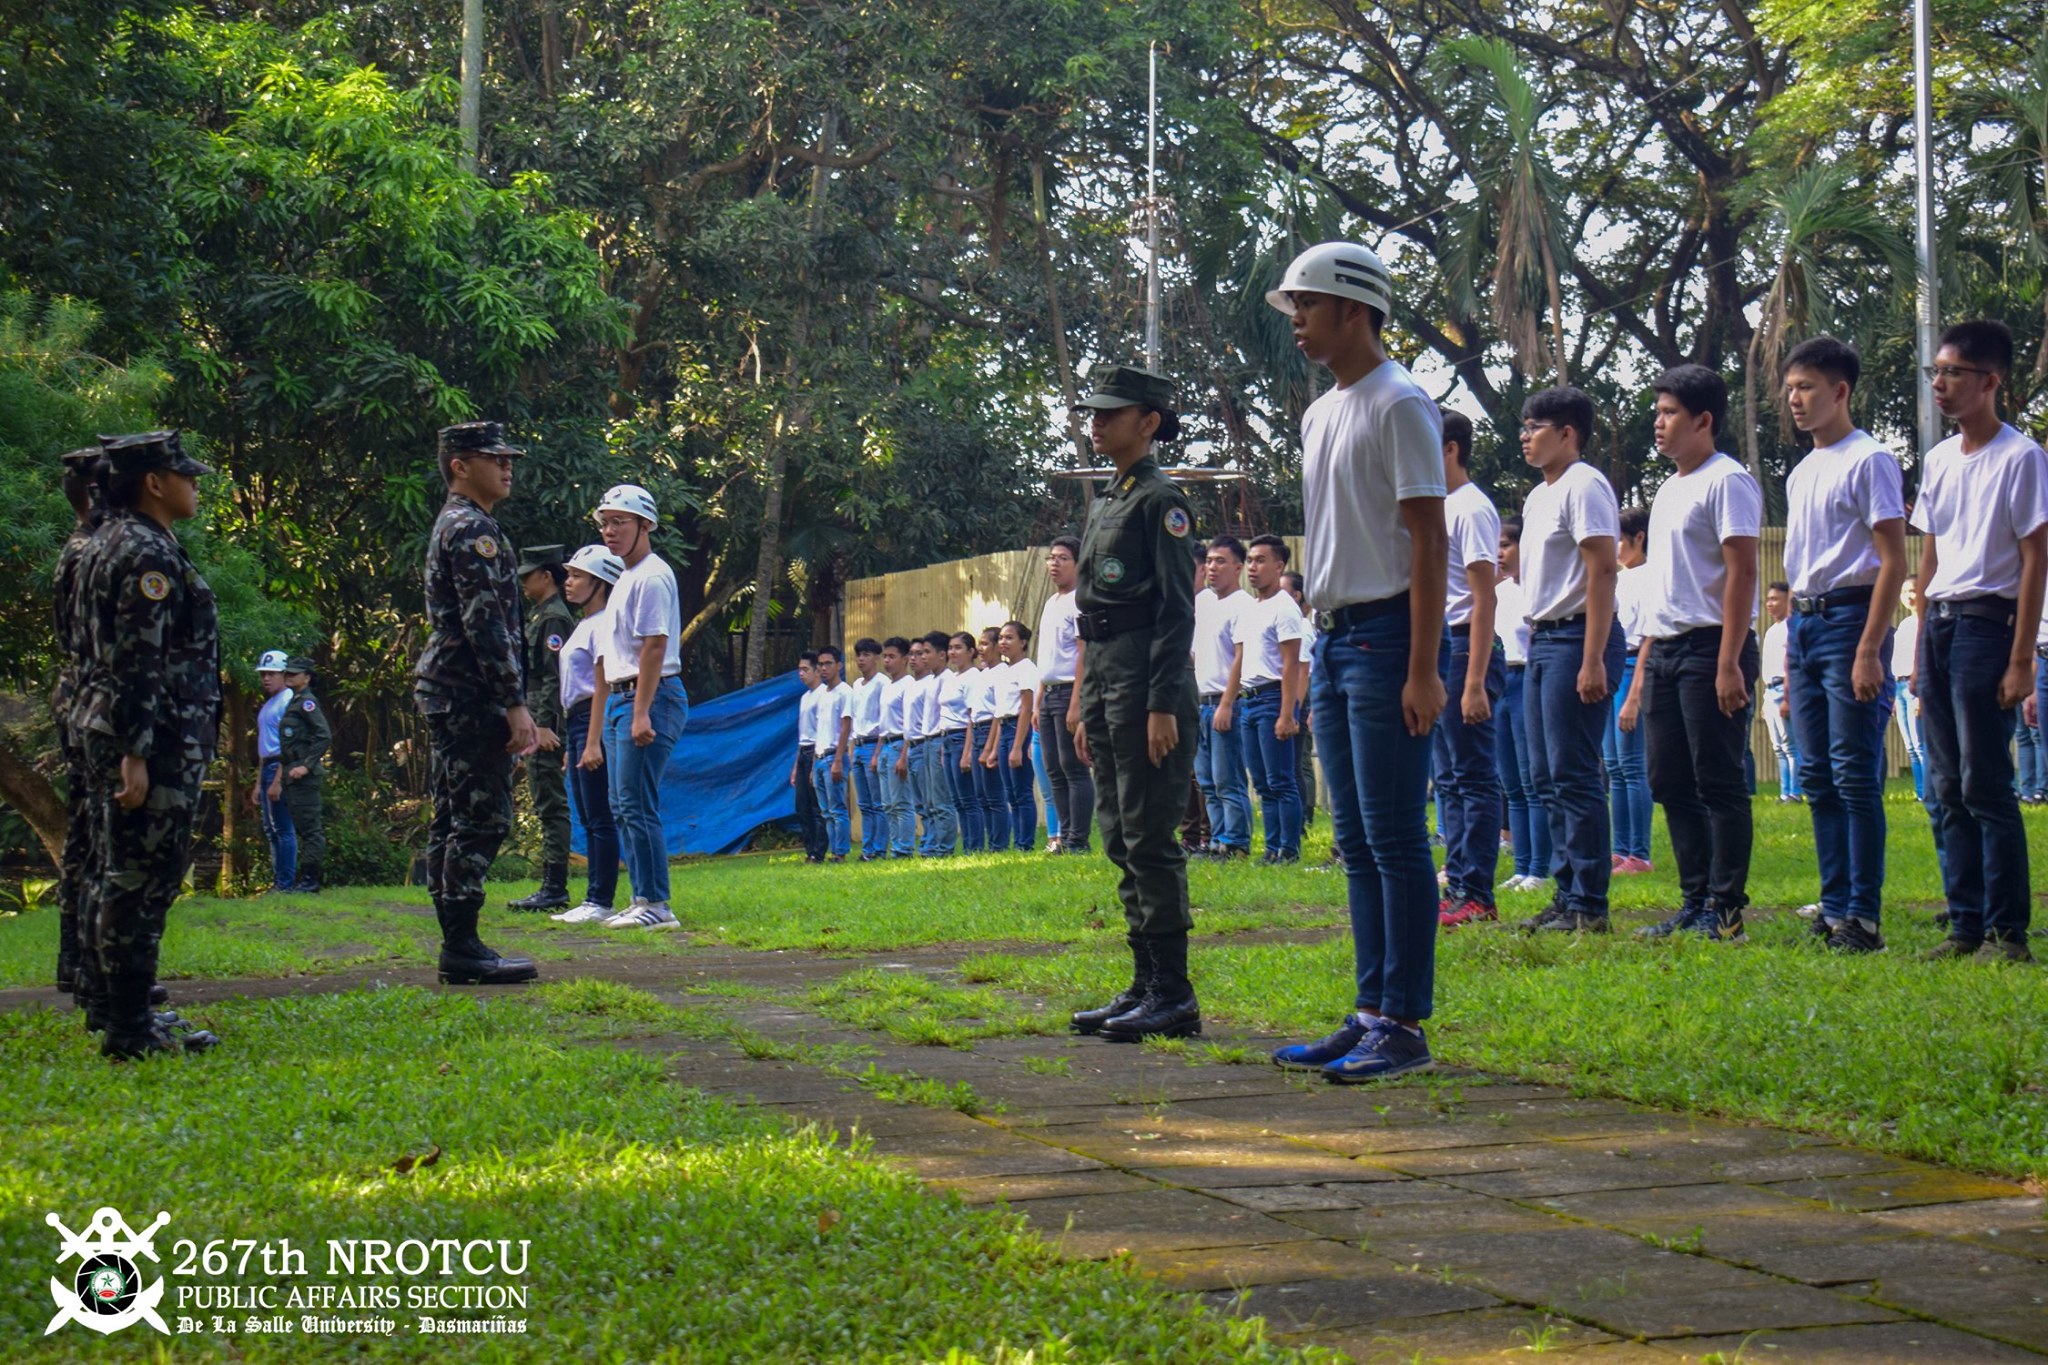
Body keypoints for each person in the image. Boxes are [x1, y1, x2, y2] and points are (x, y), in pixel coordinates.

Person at [1261, 241, 1448, 1081]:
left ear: (1356, 309)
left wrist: (1424, 666)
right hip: (1334, 635)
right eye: (1294, 305)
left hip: (1384, 638)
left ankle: (1403, 1023)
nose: (1296, 320)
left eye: (1307, 304)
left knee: (1397, 831)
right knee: (1357, 837)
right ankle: (1370, 1009)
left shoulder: (1401, 402)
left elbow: (1429, 538)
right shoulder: (1321, 410)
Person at [71, 431, 222, 1058]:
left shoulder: (106, 540)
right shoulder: (145, 552)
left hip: (121, 728)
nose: (195, 483)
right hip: (152, 739)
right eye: (183, 474)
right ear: (154, 483)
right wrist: (136, 751)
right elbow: (140, 661)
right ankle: (131, 1028)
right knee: (142, 876)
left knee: (118, 870)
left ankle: (118, 1012)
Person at [1063, 364, 1203, 1042]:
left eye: (1112, 413)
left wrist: (1161, 704)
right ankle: (1145, 981)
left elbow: (1177, 611)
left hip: (1147, 684)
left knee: (1150, 833)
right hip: (1106, 679)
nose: (1098, 423)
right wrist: (1084, 698)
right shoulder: (1109, 497)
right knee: (1119, 832)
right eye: (1095, 412)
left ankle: (1174, 993)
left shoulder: (1161, 500)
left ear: (1148, 422)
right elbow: (1096, 609)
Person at [1912, 320, 2048, 962]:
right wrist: (1916, 651)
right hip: (1939, 626)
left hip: (1987, 626)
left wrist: (2022, 660)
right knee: (1944, 784)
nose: (1939, 384)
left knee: (1984, 781)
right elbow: (1929, 557)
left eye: (1953, 373)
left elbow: (2035, 560)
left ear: (1990, 382)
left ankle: (2007, 932)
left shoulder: (2022, 458)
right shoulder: (1939, 459)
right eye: (1935, 372)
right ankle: (1964, 925)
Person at [1622, 366, 1762, 942]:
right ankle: (1695, 900)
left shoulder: (1727, 481)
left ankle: (1726, 911)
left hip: (1711, 649)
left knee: (1717, 781)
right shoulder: (1668, 487)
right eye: (1657, 412)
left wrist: (1730, 661)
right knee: (1668, 780)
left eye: (1669, 413)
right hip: (1666, 652)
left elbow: (1743, 572)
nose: (1658, 423)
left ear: (1703, 420)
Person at [1779, 335, 1908, 954]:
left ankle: (1864, 918)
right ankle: (1832, 910)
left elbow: (1893, 562)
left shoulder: (1870, 459)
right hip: (1805, 626)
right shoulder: (1803, 470)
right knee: (1816, 774)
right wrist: (1789, 647)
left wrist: (1868, 648)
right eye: (1790, 389)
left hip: (1851, 620)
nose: (1795, 400)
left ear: (1840, 391)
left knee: (1855, 772)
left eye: (1805, 387)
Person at [415, 421, 540, 984]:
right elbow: (485, 626)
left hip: (454, 690)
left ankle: (459, 943)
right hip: (470, 694)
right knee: (481, 818)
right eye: (494, 458)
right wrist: (514, 703)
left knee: (454, 816)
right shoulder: (471, 530)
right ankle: (462, 946)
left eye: (509, 457)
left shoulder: (464, 524)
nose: (507, 467)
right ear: (459, 465)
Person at [1514, 386, 1624, 933]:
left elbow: (1603, 569)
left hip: (1578, 638)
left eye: (1535, 427)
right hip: (1543, 640)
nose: (1526, 437)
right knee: (1545, 775)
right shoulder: (1540, 495)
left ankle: (1589, 903)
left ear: (1567, 433)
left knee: (1574, 773)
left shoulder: (1585, 485)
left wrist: (1594, 656)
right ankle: (1566, 893)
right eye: (1524, 427)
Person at [588, 484, 687, 928]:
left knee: (637, 803)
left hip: (649, 696)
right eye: (605, 523)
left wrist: (642, 711)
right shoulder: (625, 576)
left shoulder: (651, 575)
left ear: (645, 525)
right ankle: (640, 896)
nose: (610, 531)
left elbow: (655, 645)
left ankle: (656, 905)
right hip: (622, 696)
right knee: (621, 802)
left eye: (620, 521)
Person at [1433, 409, 1504, 926]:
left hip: (1466, 648)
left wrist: (1475, 680)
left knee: (1473, 776)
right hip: (1439, 650)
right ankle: (1458, 885)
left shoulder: (1472, 509)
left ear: (1451, 448)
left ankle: (1478, 891)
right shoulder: (1436, 507)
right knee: (1450, 778)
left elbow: (1484, 599)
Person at [52, 447, 108, 1010]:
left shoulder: (80, 547)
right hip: (92, 703)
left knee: (87, 836)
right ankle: (88, 961)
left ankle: (78, 959)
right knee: (97, 838)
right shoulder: (92, 550)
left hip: (78, 700)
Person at [552, 545, 628, 923]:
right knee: (587, 814)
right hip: (576, 722)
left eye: (578, 576)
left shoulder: (603, 625)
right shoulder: (583, 623)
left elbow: (601, 685)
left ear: (601, 583)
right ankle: (592, 898)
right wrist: (573, 742)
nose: (569, 582)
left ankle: (601, 900)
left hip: (591, 718)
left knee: (599, 814)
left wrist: (593, 739)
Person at [1226, 534, 1310, 863]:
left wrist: (1288, 713)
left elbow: (1292, 664)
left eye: (1261, 560)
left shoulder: (1285, 608)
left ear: (1279, 566)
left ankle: (1288, 849)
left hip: (1273, 697)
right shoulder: (1251, 608)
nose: (1253, 567)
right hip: (1249, 700)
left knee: (1281, 779)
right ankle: (1272, 847)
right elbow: (1241, 656)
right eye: (1250, 560)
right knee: (1261, 782)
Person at [508, 545, 576, 911]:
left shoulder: (553, 619)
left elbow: (553, 677)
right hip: (535, 714)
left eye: (528, 575)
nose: (523, 582)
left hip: (543, 719)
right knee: (542, 797)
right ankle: (551, 884)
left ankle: (555, 886)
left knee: (550, 800)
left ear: (546, 575)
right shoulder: (540, 615)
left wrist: (546, 725)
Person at [1493, 518, 1549, 891]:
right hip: (1501, 680)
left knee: (1532, 779)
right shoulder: (1499, 592)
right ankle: (1522, 865)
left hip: (1528, 679)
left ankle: (1540, 869)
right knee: (1510, 781)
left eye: (1506, 545)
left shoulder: (1538, 589)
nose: (1499, 553)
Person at [1192, 537, 1253, 859]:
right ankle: (1216, 841)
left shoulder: (1242, 604)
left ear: (1238, 568)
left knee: (1228, 780)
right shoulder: (1204, 604)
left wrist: (1228, 704)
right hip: (1200, 703)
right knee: (1207, 780)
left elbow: (1240, 658)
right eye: (1210, 562)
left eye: (1221, 562)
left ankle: (1237, 843)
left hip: (1226, 703)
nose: (1212, 567)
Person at [1037, 537, 1094, 854]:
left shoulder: (1080, 600)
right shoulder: (1050, 602)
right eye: (1051, 557)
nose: (1054, 563)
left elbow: (1083, 654)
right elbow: (1046, 657)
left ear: (1078, 563)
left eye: (1062, 558)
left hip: (1070, 691)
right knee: (1054, 769)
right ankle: (1065, 835)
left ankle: (1078, 840)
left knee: (1073, 766)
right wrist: (1039, 700)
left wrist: (1077, 704)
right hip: (1049, 695)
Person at [1607, 507, 1653, 873]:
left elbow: (1651, 637)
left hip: (1634, 666)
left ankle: (1640, 852)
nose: (1615, 548)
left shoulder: (1653, 576)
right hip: (1611, 664)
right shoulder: (1616, 578)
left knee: (1632, 764)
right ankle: (1620, 848)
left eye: (1620, 540)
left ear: (1639, 538)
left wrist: (1635, 694)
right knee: (1613, 764)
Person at [274, 654, 331, 893]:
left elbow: (324, 735)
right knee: (301, 827)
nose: (289, 677)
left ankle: (310, 881)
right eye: (287, 673)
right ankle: (304, 879)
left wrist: (306, 765)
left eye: (294, 674)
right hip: (291, 773)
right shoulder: (295, 701)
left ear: (306, 678)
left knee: (311, 830)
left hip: (303, 775)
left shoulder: (308, 702)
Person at [982, 621, 1040, 850]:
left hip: (1019, 729)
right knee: (1010, 794)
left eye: (1009, 638)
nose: (1003, 643)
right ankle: (1018, 842)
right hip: (1005, 729)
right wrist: (995, 749)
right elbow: (999, 711)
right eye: (1001, 638)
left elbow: (1026, 708)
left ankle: (1025, 843)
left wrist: (1017, 747)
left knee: (1022, 790)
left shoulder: (1027, 668)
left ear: (1023, 642)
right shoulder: (1004, 671)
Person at [250, 650, 298, 893]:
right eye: (263, 674)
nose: (266, 678)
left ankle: (285, 883)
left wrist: (277, 780)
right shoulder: (269, 703)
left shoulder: (288, 701)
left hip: (279, 766)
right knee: (271, 830)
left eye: (271, 674)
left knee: (283, 828)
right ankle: (278, 881)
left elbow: (287, 747)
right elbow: (264, 746)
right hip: (267, 765)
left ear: (283, 675)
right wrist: (259, 782)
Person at [914, 630, 962, 856]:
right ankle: (932, 844)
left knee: (941, 799)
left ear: (941, 655)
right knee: (929, 800)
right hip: (926, 741)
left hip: (938, 740)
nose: (923, 657)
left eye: (927, 652)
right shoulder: (931, 680)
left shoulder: (948, 679)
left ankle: (944, 848)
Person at [1759, 581, 1803, 804]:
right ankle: (1784, 791)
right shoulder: (1771, 631)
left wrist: (1788, 697)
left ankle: (1795, 791)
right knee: (1778, 746)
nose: (1769, 603)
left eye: (1775, 599)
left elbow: (1791, 665)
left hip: (1785, 689)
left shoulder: (1790, 628)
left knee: (1791, 745)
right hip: (1770, 690)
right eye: (1768, 599)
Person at [1282, 570, 1319, 830]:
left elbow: (1303, 670)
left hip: (1302, 698)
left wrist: (1297, 707)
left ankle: (1305, 816)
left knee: (1300, 763)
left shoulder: (1303, 625)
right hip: (1293, 698)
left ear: (1297, 595)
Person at [812, 644, 855, 862]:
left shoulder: (845, 692)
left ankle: (840, 852)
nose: (823, 668)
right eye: (820, 664)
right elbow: (818, 731)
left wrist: (838, 759)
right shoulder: (822, 694)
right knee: (826, 811)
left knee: (838, 808)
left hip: (833, 756)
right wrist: (813, 764)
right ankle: (833, 851)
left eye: (828, 663)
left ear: (839, 665)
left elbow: (845, 727)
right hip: (820, 757)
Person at [874, 637, 915, 857]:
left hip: (899, 744)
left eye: (892, 656)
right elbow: (883, 722)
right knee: (888, 803)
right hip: (886, 745)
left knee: (901, 802)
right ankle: (895, 845)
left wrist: (904, 755)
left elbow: (908, 723)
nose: (887, 661)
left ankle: (904, 848)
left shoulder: (908, 684)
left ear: (905, 659)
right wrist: (877, 753)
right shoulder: (887, 686)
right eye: (885, 656)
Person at [942, 632, 982, 851]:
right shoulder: (952, 678)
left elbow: (971, 717)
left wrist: (968, 752)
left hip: (961, 738)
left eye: (958, 648)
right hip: (947, 739)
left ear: (971, 652)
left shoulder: (973, 677)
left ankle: (974, 847)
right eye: (950, 648)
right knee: (957, 799)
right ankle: (967, 845)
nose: (952, 652)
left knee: (968, 798)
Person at [849, 639, 888, 860]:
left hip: (874, 744)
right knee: (864, 803)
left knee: (877, 802)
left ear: (876, 657)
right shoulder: (856, 685)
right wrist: (852, 749)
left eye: (865, 654)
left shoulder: (881, 683)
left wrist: (877, 753)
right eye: (858, 655)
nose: (861, 659)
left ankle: (879, 849)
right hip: (859, 745)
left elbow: (884, 720)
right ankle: (867, 849)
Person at [963, 630, 1001, 852]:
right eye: (980, 644)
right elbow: (971, 714)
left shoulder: (1001, 672)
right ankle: (989, 844)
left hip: (990, 729)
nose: (981, 649)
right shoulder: (980, 674)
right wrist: (968, 750)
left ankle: (999, 844)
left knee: (995, 796)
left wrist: (990, 748)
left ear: (996, 647)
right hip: (977, 730)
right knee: (981, 795)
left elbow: (999, 712)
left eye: (986, 644)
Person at [791, 651, 827, 862]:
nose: (801, 674)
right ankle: (809, 849)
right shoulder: (805, 698)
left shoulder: (823, 694)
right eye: (799, 670)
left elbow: (820, 731)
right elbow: (802, 734)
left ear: (816, 671)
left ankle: (819, 851)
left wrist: (815, 764)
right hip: (803, 751)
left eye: (805, 669)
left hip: (816, 750)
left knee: (817, 806)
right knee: (801, 805)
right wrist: (797, 766)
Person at [1893, 577, 1927, 801]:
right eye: (1905, 591)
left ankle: (1931, 791)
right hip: (1899, 686)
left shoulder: (1925, 623)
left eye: (1914, 590)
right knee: (1910, 745)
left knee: (1921, 744)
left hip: (1916, 688)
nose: (1909, 596)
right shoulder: (1904, 625)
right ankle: (1921, 791)